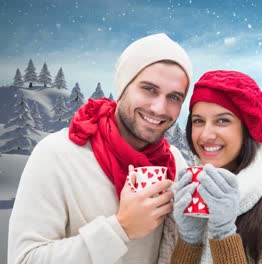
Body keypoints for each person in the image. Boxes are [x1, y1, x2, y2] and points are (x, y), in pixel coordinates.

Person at [8, 33, 192, 264]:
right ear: (123, 86)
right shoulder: (57, 154)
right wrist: (120, 229)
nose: (159, 108)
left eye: (174, 97)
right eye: (149, 89)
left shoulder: (174, 163)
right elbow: (24, 259)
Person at [157, 70, 262, 263]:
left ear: (248, 128)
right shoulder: (184, 196)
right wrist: (189, 240)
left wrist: (223, 234)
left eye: (222, 120)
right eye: (198, 121)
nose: (205, 135)